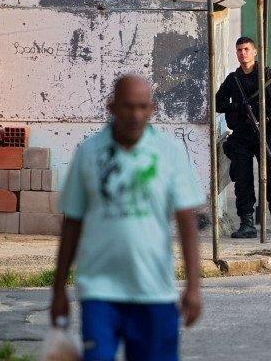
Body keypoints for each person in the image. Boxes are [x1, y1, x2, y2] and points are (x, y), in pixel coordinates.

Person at [51, 75, 204, 361]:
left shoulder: (169, 153)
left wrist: (194, 287)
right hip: (100, 290)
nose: (135, 115)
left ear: (152, 109)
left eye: (142, 107)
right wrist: (58, 289)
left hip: (155, 292)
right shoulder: (89, 152)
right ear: (111, 107)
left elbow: (187, 223)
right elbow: (72, 222)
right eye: (127, 107)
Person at [215, 37, 271, 238]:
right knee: (242, 180)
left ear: (255, 52)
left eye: (246, 49)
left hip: (265, 133)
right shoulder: (233, 79)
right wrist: (238, 108)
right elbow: (218, 104)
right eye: (239, 50)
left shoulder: (266, 76)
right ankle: (247, 222)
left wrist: (265, 117)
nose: (243, 53)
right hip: (241, 136)